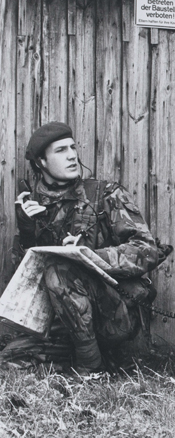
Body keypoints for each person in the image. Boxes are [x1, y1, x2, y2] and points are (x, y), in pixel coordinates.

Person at [2, 122, 164, 374]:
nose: (72, 155)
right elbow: (23, 284)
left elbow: (146, 250)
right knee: (8, 362)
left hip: (110, 316)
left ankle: (92, 368)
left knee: (59, 269)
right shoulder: (32, 207)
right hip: (58, 323)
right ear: (41, 162)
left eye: (73, 147)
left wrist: (90, 255)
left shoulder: (105, 195)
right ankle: (86, 359)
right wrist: (26, 232)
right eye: (61, 150)